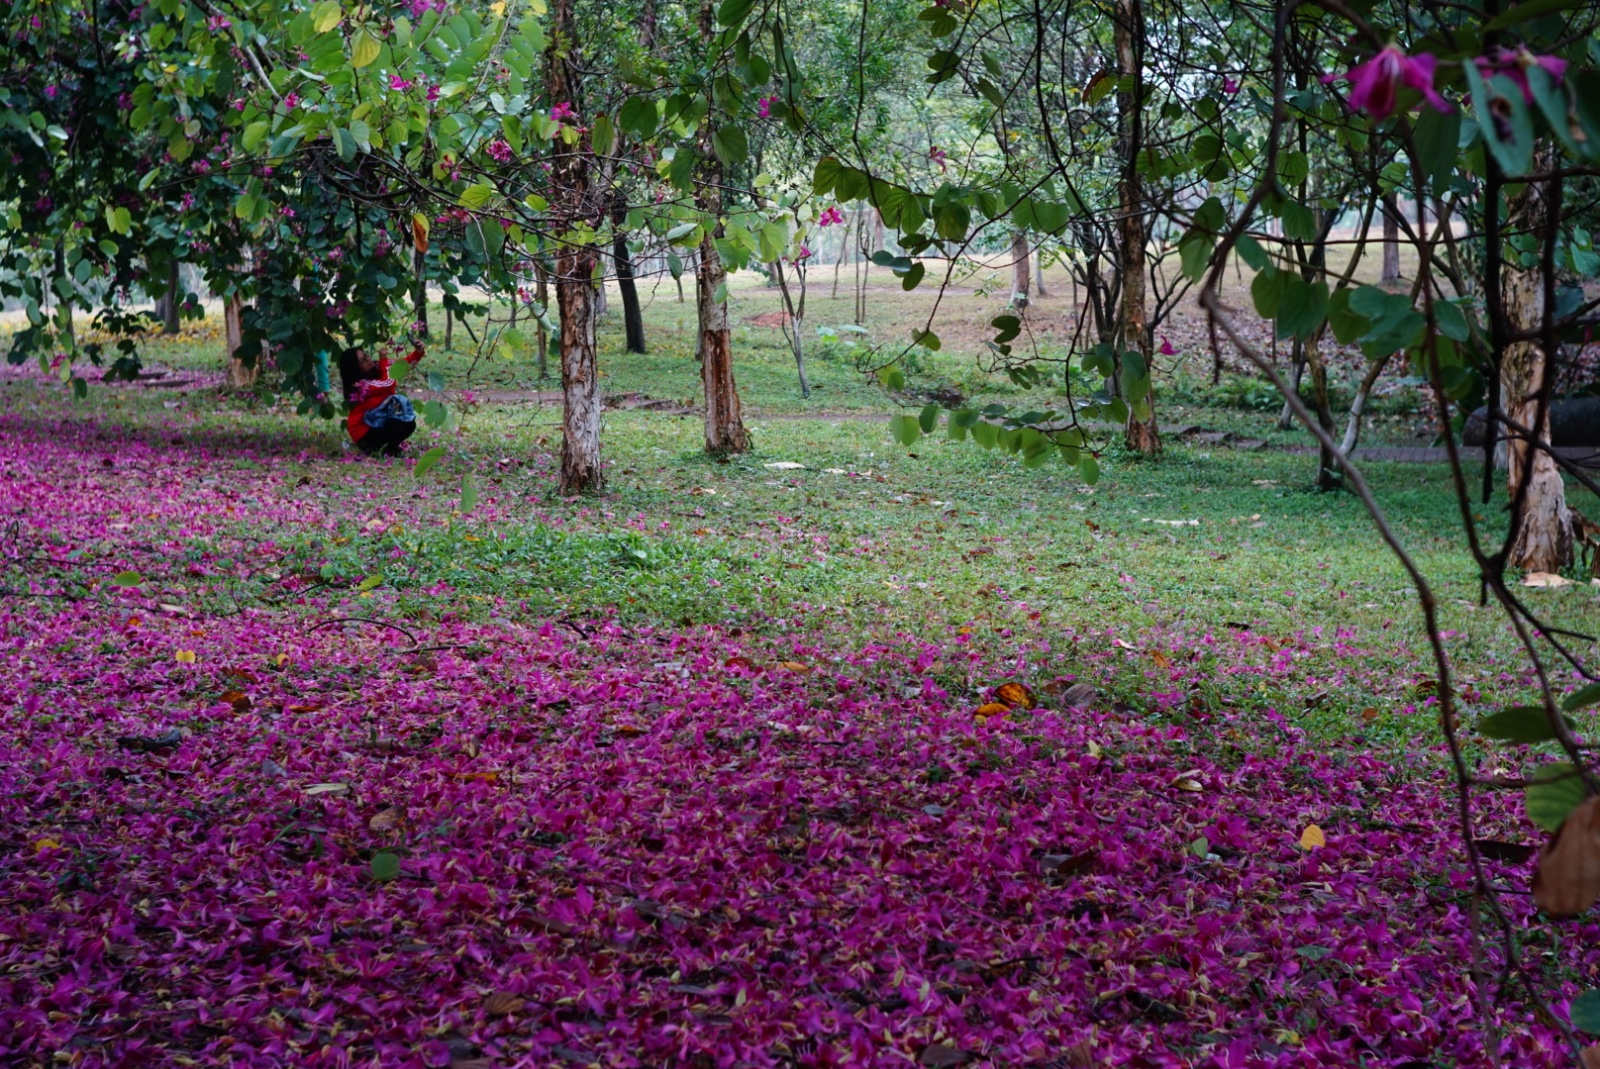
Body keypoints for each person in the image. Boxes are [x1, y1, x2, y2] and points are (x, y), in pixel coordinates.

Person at [338, 346, 421, 456]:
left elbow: (400, 366)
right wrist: (383, 360)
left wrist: (418, 353)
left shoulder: (378, 366)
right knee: (398, 421)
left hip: (379, 422)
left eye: (366, 355)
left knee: (408, 423)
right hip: (365, 433)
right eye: (362, 361)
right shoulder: (362, 385)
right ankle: (379, 449)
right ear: (355, 369)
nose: (368, 360)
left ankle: (389, 449)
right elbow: (388, 382)